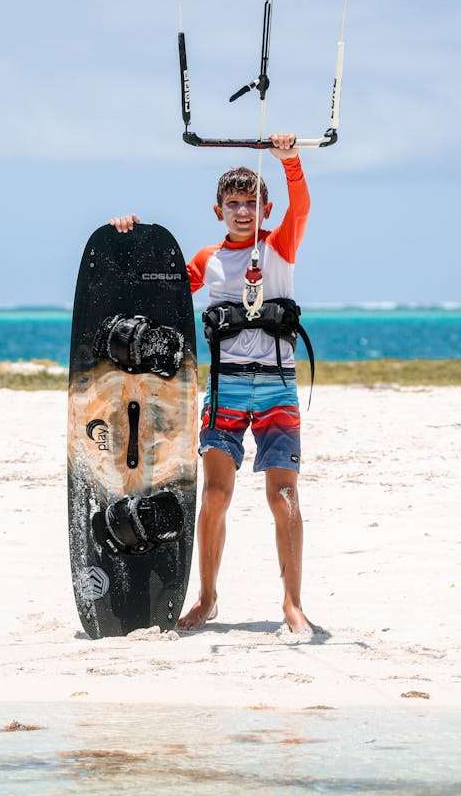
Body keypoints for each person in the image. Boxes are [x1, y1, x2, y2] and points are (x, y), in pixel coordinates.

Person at [110, 132, 313, 634]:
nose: (243, 212)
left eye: (251, 204)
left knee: (283, 496)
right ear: (218, 209)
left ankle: (292, 603)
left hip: (276, 388)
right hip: (224, 392)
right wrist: (129, 237)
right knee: (216, 496)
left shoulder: (280, 246)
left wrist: (291, 163)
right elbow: (157, 287)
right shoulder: (207, 261)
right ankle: (206, 599)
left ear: (265, 210)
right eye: (233, 204)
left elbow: (302, 206)